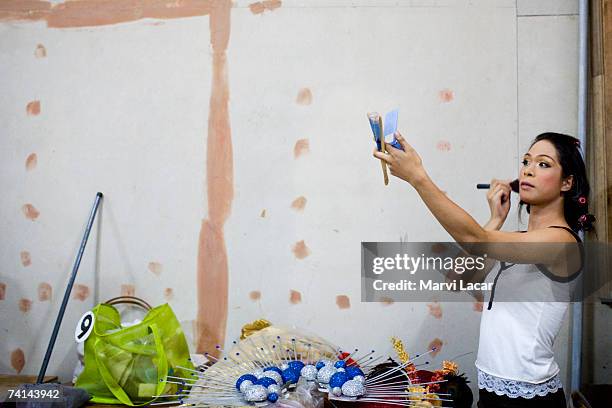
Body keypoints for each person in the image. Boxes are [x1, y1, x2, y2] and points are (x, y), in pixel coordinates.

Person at [373, 132, 595, 407]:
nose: (528, 169)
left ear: (567, 182)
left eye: (543, 164)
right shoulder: (516, 240)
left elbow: (476, 240)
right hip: (490, 391)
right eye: (526, 161)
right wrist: (495, 220)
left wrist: (418, 177)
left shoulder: (563, 242)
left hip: (531, 399)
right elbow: (457, 279)